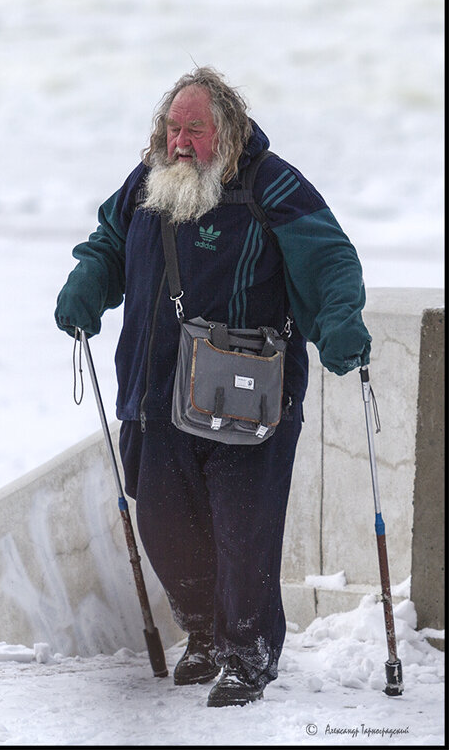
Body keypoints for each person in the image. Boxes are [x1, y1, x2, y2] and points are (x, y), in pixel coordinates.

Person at [55, 66, 371, 707]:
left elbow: (330, 256)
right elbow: (108, 243)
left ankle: (248, 655)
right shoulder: (143, 183)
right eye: (172, 127)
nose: (179, 142)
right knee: (166, 527)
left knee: (243, 533)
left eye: (193, 129)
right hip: (153, 394)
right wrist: (87, 283)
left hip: (248, 396)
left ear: (224, 131)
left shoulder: (270, 182)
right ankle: (202, 634)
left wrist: (340, 320)